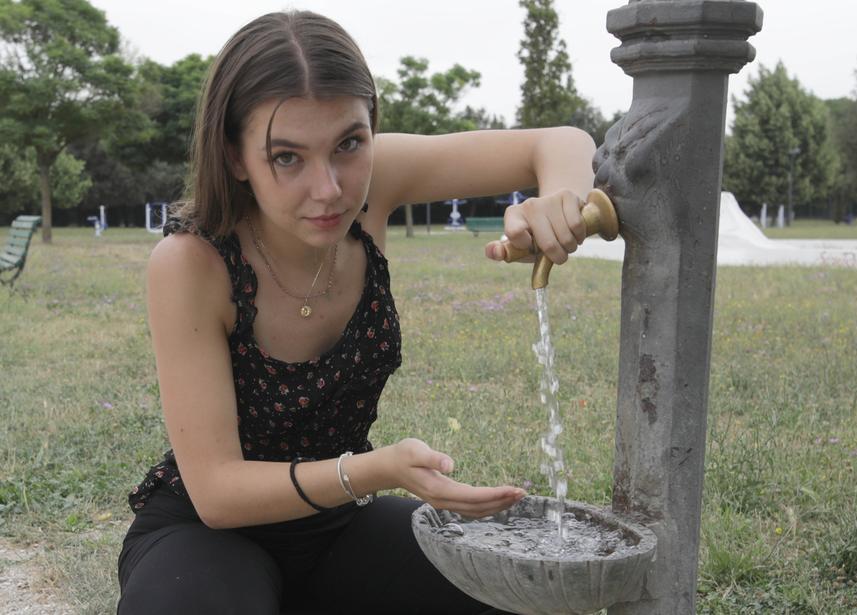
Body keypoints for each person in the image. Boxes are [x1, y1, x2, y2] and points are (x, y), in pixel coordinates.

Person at [117, 10, 596, 615]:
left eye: (349, 144)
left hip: (338, 531)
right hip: (203, 540)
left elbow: (560, 142)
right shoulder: (191, 262)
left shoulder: (376, 181)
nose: (329, 188)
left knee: (508, 591)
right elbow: (217, 492)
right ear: (236, 156)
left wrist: (559, 199)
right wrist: (377, 469)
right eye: (287, 157)